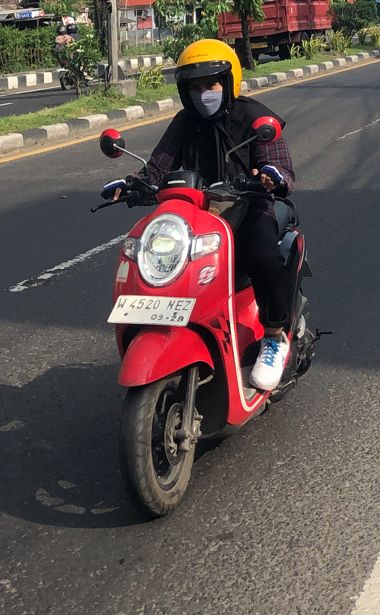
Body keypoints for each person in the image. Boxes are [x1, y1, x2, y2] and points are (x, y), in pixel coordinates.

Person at [104, 38, 297, 393]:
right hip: (195, 213)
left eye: (211, 84)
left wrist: (272, 177)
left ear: (228, 82)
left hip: (247, 208)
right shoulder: (184, 122)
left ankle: (273, 336)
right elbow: (159, 165)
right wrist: (131, 186)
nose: (203, 93)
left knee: (262, 253)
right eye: (195, 87)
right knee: (157, 256)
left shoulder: (256, 118)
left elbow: (282, 169)